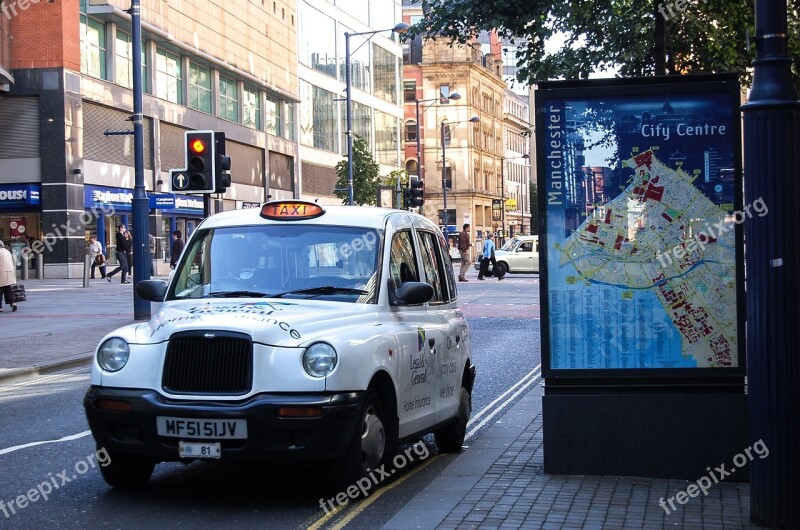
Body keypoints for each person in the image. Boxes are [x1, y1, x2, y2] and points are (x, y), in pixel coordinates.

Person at [0, 241, 18, 312]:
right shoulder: (7, 252)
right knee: (8, 289)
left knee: (0, 291)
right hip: (9, 272)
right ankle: (13, 303)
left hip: (1, 272)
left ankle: (0, 307)